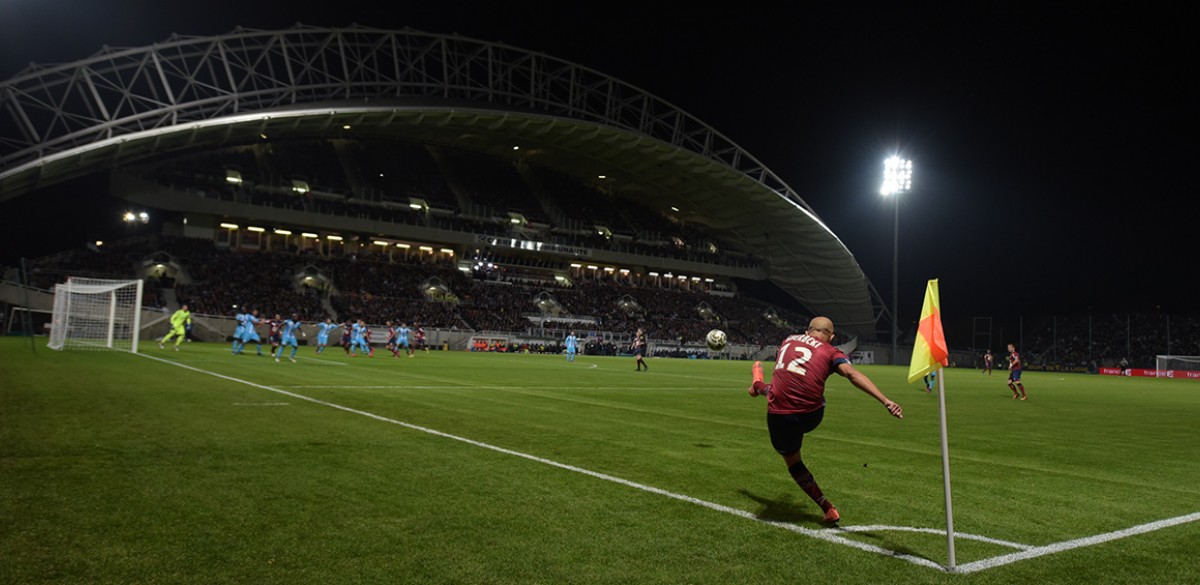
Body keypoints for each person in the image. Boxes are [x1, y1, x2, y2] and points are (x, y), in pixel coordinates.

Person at [748, 316, 904, 524]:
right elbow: (852, 374)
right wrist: (885, 400)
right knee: (795, 391)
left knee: (793, 461)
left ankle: (827, 506)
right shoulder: (831, 351)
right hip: (811, 415)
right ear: (832, 337)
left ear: (807, 331)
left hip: (780, 416)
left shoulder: (788, 340)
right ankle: (757, 386)